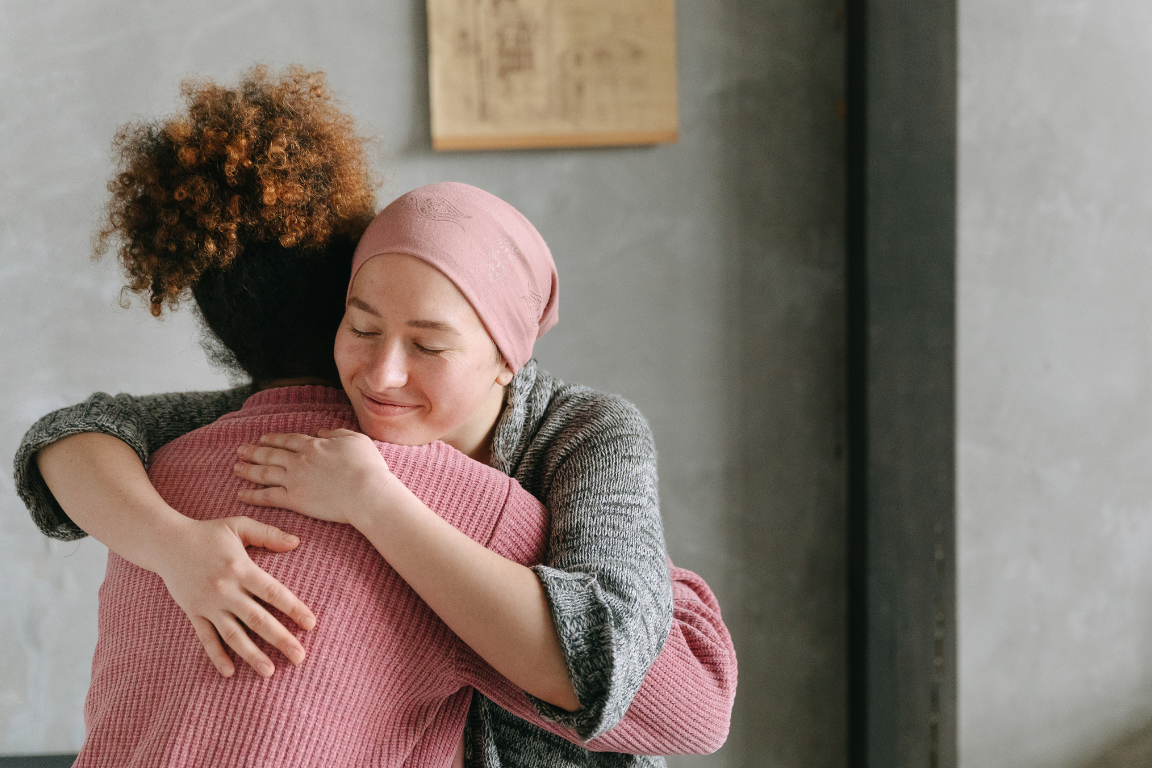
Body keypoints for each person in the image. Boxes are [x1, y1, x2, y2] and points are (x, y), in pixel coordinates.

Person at [14, 67, 736, 767]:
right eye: (361, 329)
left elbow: (648, 679)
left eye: (428, 344)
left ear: (506, 358)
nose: (383, 374)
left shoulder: (583, 434)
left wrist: (378, 502)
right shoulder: (305, 431)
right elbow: (77, 433)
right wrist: (176, 546)